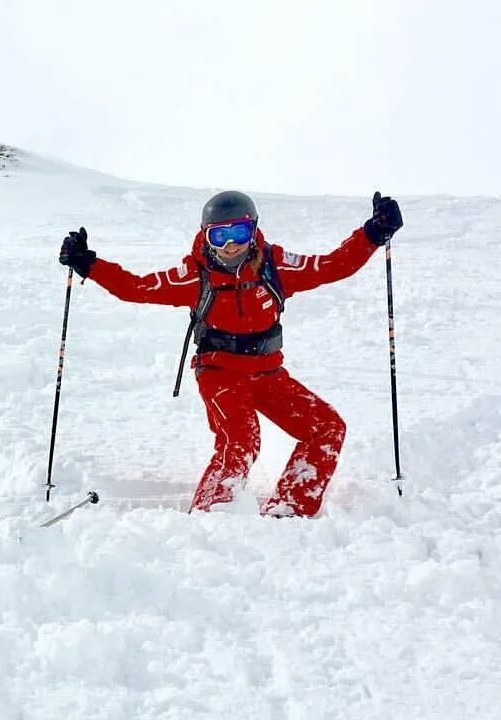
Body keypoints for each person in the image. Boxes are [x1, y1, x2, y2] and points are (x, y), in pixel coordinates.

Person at [58, 191, 403, 516]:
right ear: (206, 237)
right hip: (219, 372)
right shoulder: (196, 276)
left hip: (268, 374)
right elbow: (137, 288)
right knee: (240, 438)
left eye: (239, 232)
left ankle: (290, 509)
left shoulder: (275, 267)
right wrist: (88, 264)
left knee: (327, 427)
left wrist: (373, 233)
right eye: (219, 237)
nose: (231, 245)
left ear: (253, 230)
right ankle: (210, 516)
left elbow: (332, 266)